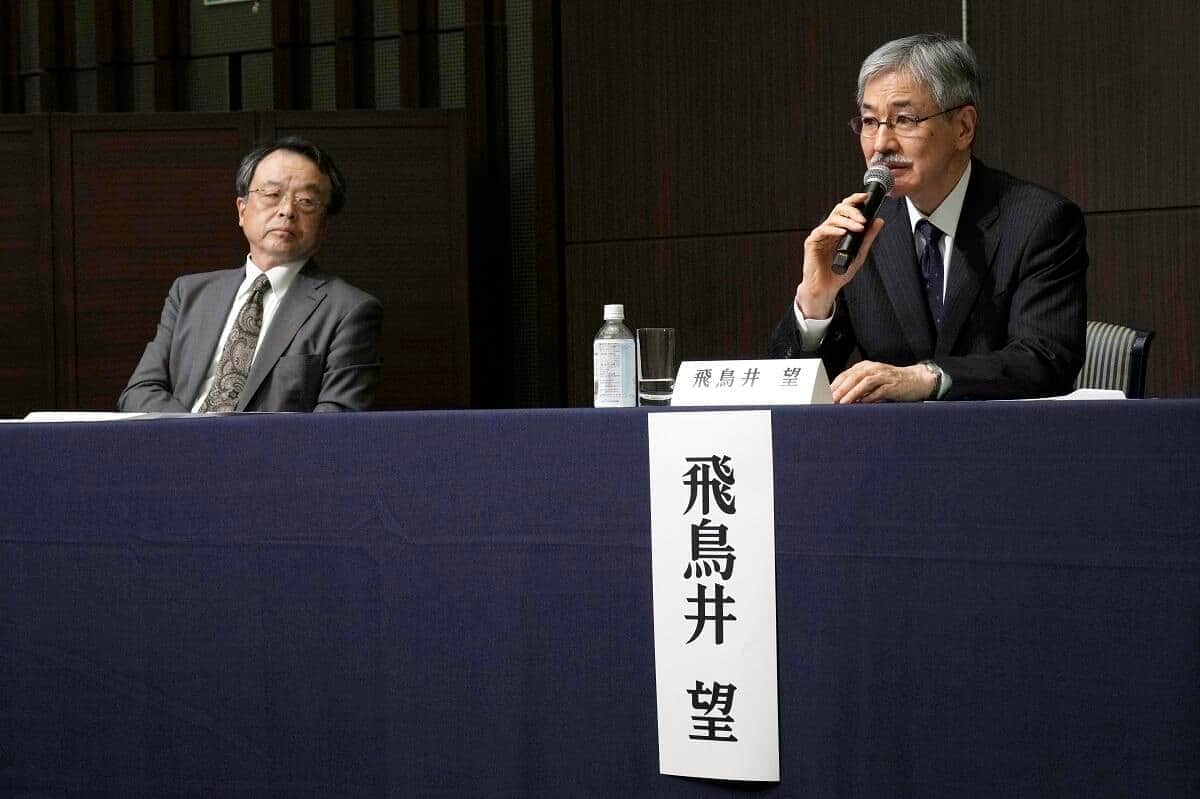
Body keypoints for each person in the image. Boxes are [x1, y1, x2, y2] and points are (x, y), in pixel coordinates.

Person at [768, 33, 1086, 402]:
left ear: (963, 128)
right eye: (869, 121)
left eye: (904, 119)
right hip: (893, 438)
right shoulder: (855, 229)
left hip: (1000, 434)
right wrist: (816, 300)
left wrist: (929, 378)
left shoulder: (1039, 222)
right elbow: (787, 387)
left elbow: (1045, 360)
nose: (881, 144)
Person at [119, 137, 382, 412]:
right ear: (242, 211)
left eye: (306, 201)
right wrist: (195, 433)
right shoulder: (189, 293)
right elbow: (140, 391)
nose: (287, 211)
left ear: (324, 226)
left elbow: (336, 419)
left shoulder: (349, 310)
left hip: (271, 443)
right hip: (180, 437)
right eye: (272, 194)